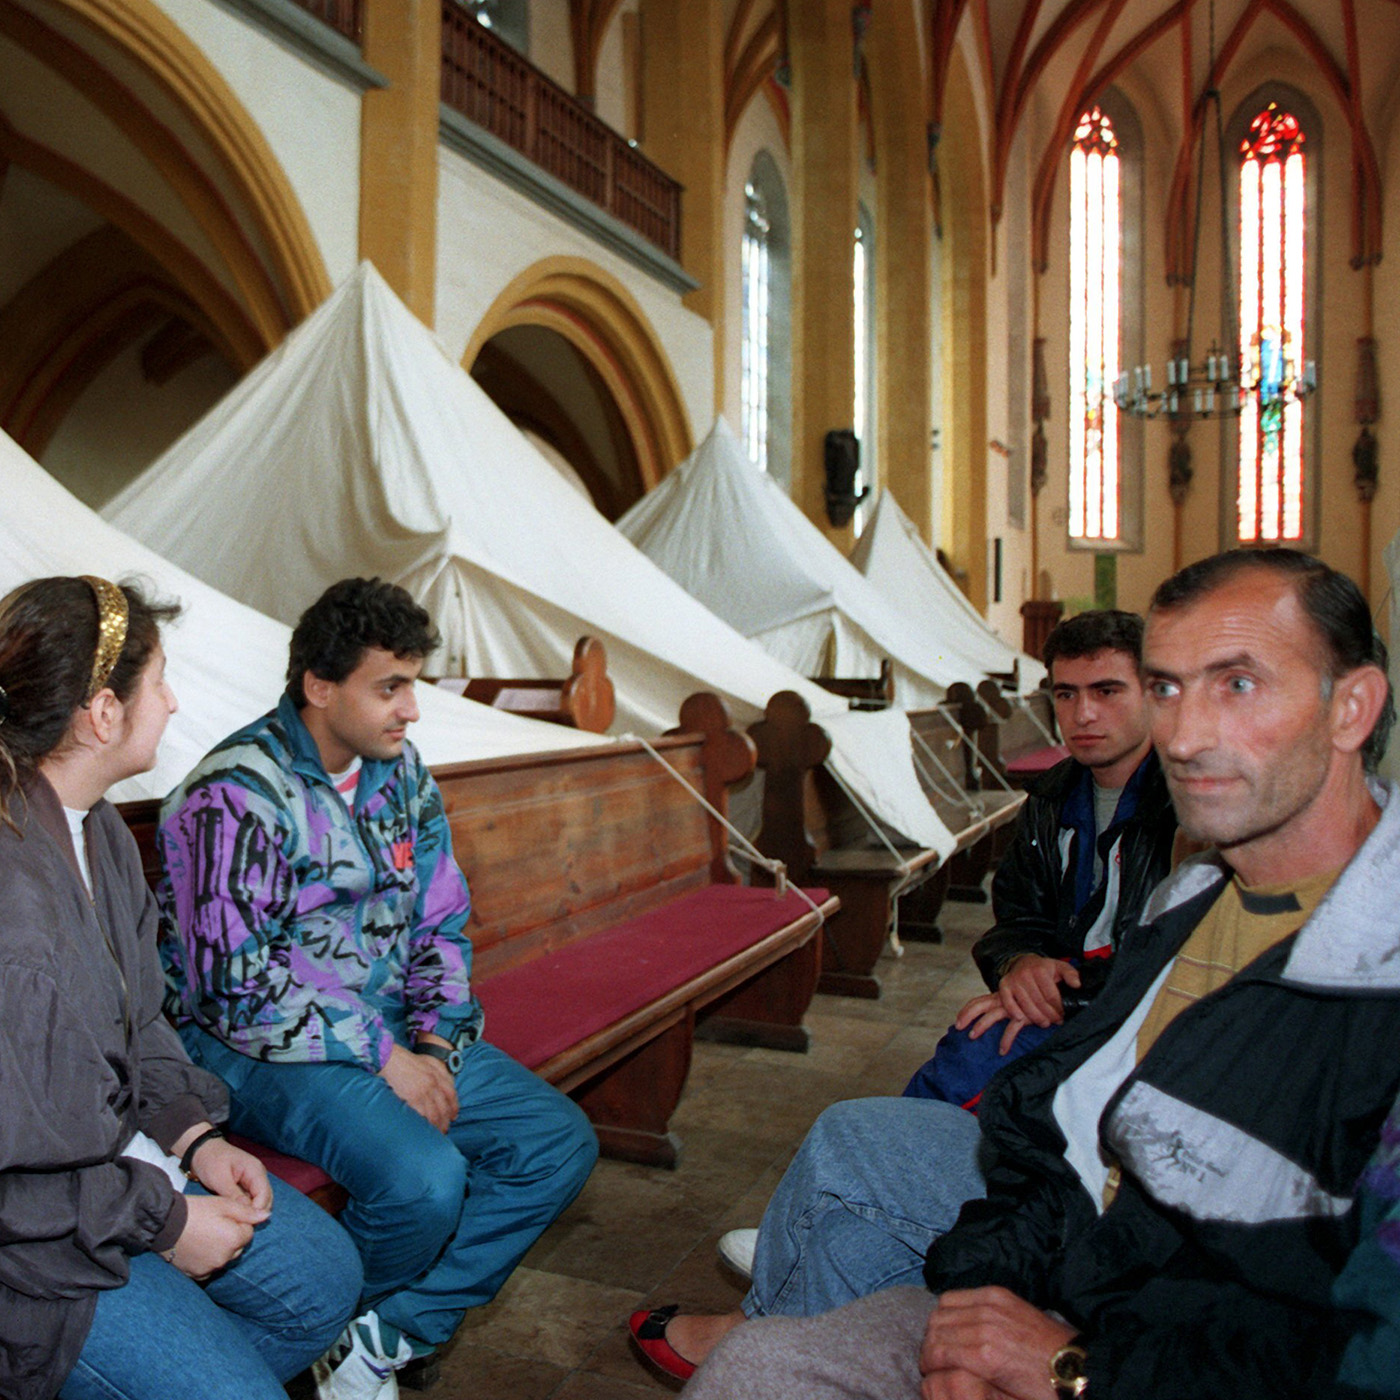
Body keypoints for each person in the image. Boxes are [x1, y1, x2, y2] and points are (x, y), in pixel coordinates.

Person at [674, 546, 1400, 1399]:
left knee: (769, 1360)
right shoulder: (1199, 892)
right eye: (1168, 688)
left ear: (1351, 707)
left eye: (1237, 684)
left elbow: (1364, 1351)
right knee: (838, 1196)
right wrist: (985, 1284)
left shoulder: (1367, 966)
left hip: (1168, 1330)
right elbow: (1067, 1132)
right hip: (1090, 1239)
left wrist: (1070, 1367)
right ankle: (783, 1312)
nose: (1187, 734)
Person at [157, 578, 598, 1400]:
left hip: (389, 1030)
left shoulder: (400, 775)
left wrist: (435, 1045)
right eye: (389, 687)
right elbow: (234, 989)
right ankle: (318, 1334)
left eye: (413, 684)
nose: (412, 710)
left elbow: (441, 920)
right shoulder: (233, 797)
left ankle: (381, 1331)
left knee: (556, 1143)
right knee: (424, 1182)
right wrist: (385, 1056)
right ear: (320, 688)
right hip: (255, 1049)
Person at [0, 574, 361, 1400]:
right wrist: (167, 1222)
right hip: (34, 1249)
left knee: (324, 1282)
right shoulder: (15, 905)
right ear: (101, 713)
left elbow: (146, 1024)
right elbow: (18, 1176)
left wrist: (196, 1139)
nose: (170, 701)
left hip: (110, 1172)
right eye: (157, 681)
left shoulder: (104, 837)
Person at [904, 608, 1176, 1104]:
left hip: (1147, 1019)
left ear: (1154, 694)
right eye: (1066, 694)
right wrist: (1020, 963)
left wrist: (1058, 997)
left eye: (1107, 691)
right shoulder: (1051, 799)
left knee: (977, 1062)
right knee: (970, 1045)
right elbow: (1017, 912)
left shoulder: (1186, 808)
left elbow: (1179, 954)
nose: (1083, 714)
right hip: (1073, 994)